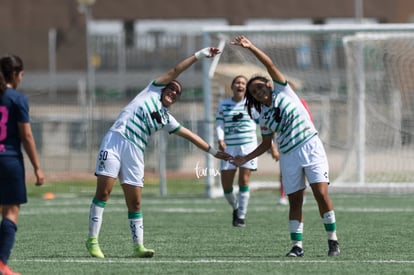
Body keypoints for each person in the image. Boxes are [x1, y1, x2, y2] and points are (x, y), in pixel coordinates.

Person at [86, 47, 232, 259]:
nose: (173, 92)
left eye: (177, 93)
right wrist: (200, 55)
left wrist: (213, 152)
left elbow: (190, 135)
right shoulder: (151, 90)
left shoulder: (167, 119)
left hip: (135, 151)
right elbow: (176, 69)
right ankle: (92, 241)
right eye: (171, 88)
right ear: (163, 88)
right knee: (104, 193)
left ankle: (138, 247)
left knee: (135, 202)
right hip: (115, 141)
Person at [230, 35, 340, 257]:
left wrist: (250, 47)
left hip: (310, 146)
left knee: (320, 193)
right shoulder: (263, 117)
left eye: (260, 87)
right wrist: (245, 158)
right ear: (253, 97)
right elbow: (266, 144)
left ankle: (333, 241)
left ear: (268, 85)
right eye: (254, 92)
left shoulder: (284, 91)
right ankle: (297, 246)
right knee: (295, 201)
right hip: (289, 156)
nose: (258, 91)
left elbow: (269, 64)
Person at [0, 55, 45, 275]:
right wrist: (37, 167)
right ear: (16, 75)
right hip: (8, 160)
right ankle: (1, 265)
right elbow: (26, 135)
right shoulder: (17, 99)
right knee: (10, 212)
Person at [215, 75, 259, 227]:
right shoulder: (223, 105)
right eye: (237, 82)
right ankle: (235, 207)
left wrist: (270, 145)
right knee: (226, 186)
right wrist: (220, 139)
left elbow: (263, 124)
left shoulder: (252, 104)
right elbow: (220, 123)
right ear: (232, 86)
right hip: (230, 147)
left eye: (243, 83)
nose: (240, 85)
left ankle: (241, 216)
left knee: (244, 180)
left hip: (248, 147)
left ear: (246, 88)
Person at [270, 97, 313, 206]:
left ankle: (302, 194)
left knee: (303, 169)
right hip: (285, 143)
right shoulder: (275, 104)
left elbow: (309, 119)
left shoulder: (301, 102)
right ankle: (283, 195)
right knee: (284, 170)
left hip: (301, 142)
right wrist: (272, 146)